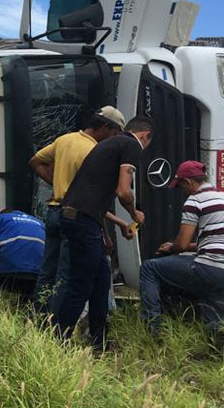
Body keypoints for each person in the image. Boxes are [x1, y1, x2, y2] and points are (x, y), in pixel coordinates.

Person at [53, 116, 154, 348]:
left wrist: (107, 235)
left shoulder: (107, 146)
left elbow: (93, 199)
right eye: (148, 142)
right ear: (145, 136)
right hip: (82, 221)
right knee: (81, 284)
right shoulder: (131, 145)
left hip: (80, 218)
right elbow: (123, 191)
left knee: (100, 281)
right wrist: (134, 213)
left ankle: (99, 340)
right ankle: (59, 341)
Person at [30, 106, 133, 317]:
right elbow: (92, 203)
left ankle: (39, 316)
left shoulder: (64, 139)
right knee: (66, 275)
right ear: (104, 127)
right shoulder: (95, 152)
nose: (113, 139)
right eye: (113, 134)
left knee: (47, 271)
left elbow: (36, 161)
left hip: (54, 212)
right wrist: (106, 234)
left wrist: (56, 184)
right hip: (76, 217)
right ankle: (57, 325)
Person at [139, 161, 224, 341]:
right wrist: (189, 247)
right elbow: (216, 240)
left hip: (211, 267)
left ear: (188, 182)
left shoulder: (195, 200)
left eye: (181, 185)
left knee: (150, 268)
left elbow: (181, 244)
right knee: (218, 328)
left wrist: (171, 247)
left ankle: (152, 328)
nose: (181, 191)